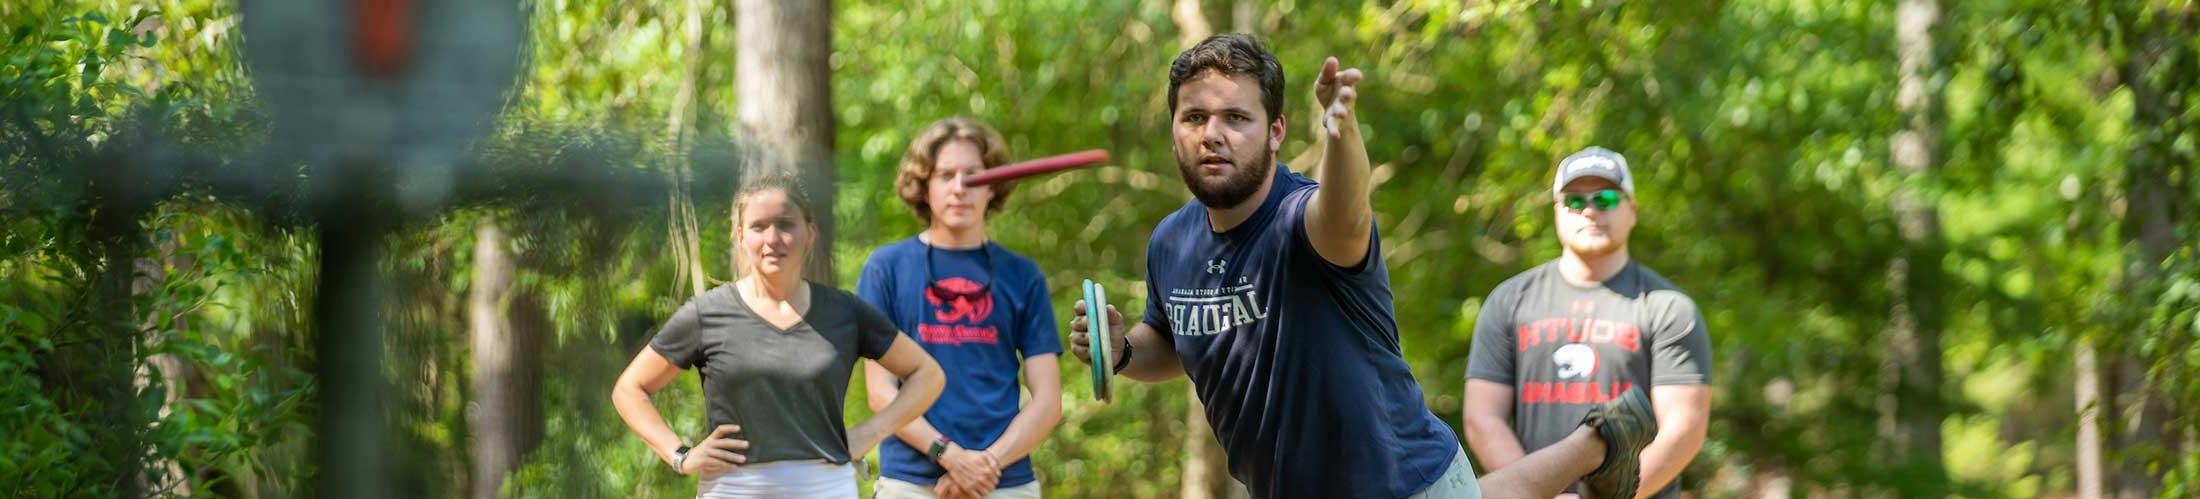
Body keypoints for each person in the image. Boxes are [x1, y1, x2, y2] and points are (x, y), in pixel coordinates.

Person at [1067, 33, 1658, 499]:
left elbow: (1345, 216)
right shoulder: (1172, 242)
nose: (1212, 135)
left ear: (1275, 132)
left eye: (1235, 119)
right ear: (1173, 129)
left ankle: (1596, 444)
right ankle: (1601, 440)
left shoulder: (1300, 220)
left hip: (1398, 478)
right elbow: (1174, 342)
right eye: (1194, 118)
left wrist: (1342, 132)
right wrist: (1120, 350)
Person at [612, 177, 946, 498]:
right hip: (732, 487)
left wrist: (871, 431)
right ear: (740, 236)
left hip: (825, 487)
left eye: (786, 224)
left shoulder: (845, 312)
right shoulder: (706, 314)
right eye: (758, 227)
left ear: (810, 232)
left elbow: (928, 375)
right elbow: (630, 389)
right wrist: (681, 455)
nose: (773, 238)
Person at [1462, 147, 1714, 499]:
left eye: (1606, 198)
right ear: (1556, 213)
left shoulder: (1668, 308)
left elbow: (1684, 428)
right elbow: (1482, 418)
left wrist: (1610, 496)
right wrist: (1537, 493)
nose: (1591, 211)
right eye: (1575, 201)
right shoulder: (1510, 301)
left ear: (1632, 210)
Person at [860, 117, 1064, 499]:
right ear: (924, 187)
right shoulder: (886, 268)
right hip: (911, 482)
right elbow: (881, 392)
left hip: (1005, 482)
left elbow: (1049, 400)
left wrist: (986, 463)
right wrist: (950, 456)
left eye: (974, 175)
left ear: (993, 186)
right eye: (945, 175)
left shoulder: (1022, 275)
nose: (960, 189)